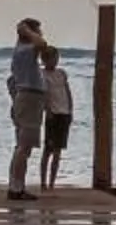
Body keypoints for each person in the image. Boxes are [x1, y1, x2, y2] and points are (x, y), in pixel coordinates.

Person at [4, 18, 48, 201]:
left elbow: (11, 81)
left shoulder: (18, 52)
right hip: (29, 98)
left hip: (26, 98)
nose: (41, 34)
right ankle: (16, 188)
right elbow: (43, 44)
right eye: (39, 31)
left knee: (23, 147)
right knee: (24, 147)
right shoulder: (27, 50)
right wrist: (29, 32)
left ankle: (17, 185)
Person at [37, 39, 74, 192]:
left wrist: (71, 109)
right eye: (52, 58)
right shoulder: (42, 74)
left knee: (58, 150)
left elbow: (67, 91)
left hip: (64, 112)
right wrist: (48, 110)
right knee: (48, 149)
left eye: (57, 58)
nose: (55, 61)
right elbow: (44, 95)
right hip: (53, 113)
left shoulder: (61, 73)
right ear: (45, 60)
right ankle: (43, 182)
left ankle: (52, 182)